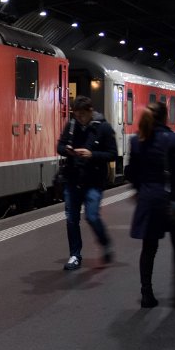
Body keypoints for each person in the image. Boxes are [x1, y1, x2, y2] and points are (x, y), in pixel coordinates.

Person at [126, 101, 175, 307]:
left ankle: (146, 294)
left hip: (149, 199)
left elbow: (132, 173)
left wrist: (139, 191)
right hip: (171, 200)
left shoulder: (136, 141)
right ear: (165, 118)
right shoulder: (173, 139)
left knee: (149, 248)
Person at [57, 95, 116, 270]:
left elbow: (113, 153)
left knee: (91, 216)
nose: (79, 118)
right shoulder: (71, 126)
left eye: (82, 114)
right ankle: (75, 255)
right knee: (71, 220)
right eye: (76, 114)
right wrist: (66, 150)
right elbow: (59, 146)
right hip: (73, 179)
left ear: (90, 111)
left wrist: (92, 155)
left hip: (93, 181)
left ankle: (105, 242)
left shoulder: (103, 128)